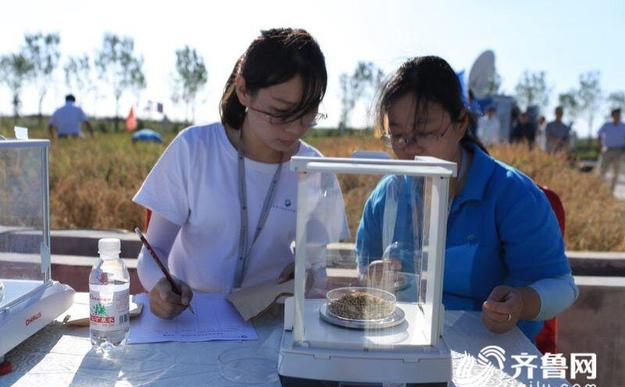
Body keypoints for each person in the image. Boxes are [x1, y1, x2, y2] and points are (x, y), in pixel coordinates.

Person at [355, 56, 578, 342]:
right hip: (405, 343)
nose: (409, 149)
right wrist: (374, 279)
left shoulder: (511, 195)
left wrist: (521, 302)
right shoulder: (388, 196)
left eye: (423, 132)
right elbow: (365, 269)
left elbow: (562, 285)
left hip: (492, 353)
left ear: (461, 122)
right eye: (397, 135)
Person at [134, 28, 348, 319]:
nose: (295, 128)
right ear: (244, 90)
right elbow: (154, 247)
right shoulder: (194, 149)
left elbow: (322, 262)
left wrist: (308, 272)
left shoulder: (314, 169)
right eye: (281, 113)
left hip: (271, 321)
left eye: (308, 115)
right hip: (193, 317)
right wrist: (159, 285)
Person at [596, 108, 625, 192]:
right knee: (602, 171)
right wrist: (599, 146)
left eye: (619, 115)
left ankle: (611, 191)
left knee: (616, 173)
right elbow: (599, 135)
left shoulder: (623, 126)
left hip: (619, 151)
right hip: (607, 151)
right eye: (616, 114)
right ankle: (599, 189)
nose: (618, 116)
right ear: (612, 115)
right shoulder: (606, 125)